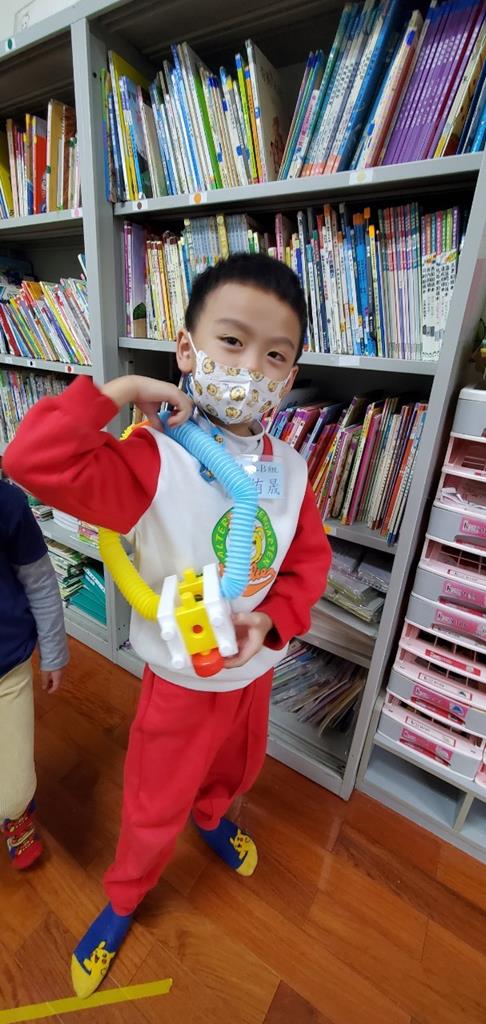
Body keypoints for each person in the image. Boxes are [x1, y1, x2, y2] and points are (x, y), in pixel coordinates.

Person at [4, 252, 331, 997]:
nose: (249, 367)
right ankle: (124, 898)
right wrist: (123, 390)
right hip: (183, 680)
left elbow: (307, 563)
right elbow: (31, 459)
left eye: (274, 355)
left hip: (253, 673)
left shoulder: (289, 467)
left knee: (238, 768)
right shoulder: (154, 459)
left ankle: (213, 817)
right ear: (186, 349)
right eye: (231, 341)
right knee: (156, 800)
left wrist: (271, 622)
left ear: (289, 376)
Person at [0, 479, 68, 869]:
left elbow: (40, 582)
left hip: (7, 669)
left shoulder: (7, 502)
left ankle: (17, 813)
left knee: (13, 792)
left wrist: (53, 653)